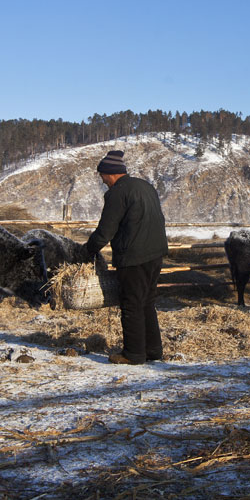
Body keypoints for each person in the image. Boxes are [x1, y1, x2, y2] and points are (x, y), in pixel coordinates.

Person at [83, 150, 169, 363]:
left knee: (131, 303)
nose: (102, 180)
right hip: (155, 253)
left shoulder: (118, 193)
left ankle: (134, 354)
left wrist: (85, 252)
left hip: (133, 256)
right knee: (147, 302)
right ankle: (153, 350)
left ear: (111, 173)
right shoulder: (145, 186)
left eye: (102, 175)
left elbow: (105, 230)